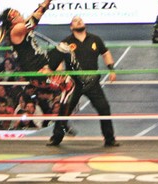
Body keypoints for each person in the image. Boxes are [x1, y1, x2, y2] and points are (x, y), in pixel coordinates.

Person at [0, 0, 79, 141]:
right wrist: (45, 4)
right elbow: (33, 20)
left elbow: (34, 15)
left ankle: (63, 118)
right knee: (69, 85)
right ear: (12, 19)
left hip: (45, 63)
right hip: (37, 72)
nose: (21, 14)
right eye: (17, 14)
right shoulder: (15, 30)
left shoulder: (21, 27)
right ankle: (62, 122)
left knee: (64, 47)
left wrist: (46, 3)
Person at [47, 16, 119, 148]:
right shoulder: (66, 42)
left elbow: (106, 53)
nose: (79, 21)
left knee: (104, 108)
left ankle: (110, 139)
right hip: (73, 83)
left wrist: (111, 69)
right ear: (71, 27)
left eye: (80, 20)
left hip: (92, 82)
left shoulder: (95, 39)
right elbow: (58, 60)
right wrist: (60, 74)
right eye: (75, 20)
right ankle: (56, 138)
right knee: (64, 110)